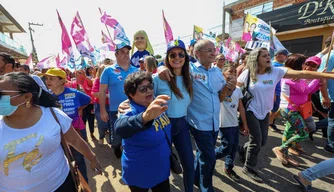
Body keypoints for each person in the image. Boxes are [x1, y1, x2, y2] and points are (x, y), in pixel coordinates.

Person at [237, 47, 334, 183]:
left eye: (268, 55)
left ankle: (243, 149)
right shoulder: (247, 73)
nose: (268, 58)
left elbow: (304, 74)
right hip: (250, 110)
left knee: (262, 141)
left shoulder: (276, 72)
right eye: (264, 56)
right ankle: (249, 167)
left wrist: (328, 75)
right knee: (256, 141)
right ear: (256, 59)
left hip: (265, 111)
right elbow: (236, 90)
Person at [0, 72, 101, 191]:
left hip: (61, 185)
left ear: (27, 97)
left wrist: (93, 159)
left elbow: (75, 140)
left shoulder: (53, 115)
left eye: (1, 95)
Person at [158, 39, 237, 191]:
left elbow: (220, 98)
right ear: (197, 54)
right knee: (209, 158)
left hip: (215, 123)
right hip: (198, 123)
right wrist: (160, 67)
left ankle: (195, 178)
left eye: (213, 49)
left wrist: (229, 89)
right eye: (208, 50)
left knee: (203, 155)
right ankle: (206, 188)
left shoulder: (217, 73)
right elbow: (173, 65)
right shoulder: (190, 69)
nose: (213, 52)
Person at [115, 71, 171, 192]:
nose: (149, 91)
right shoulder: (128, 110)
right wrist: (145, 117)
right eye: (143, 89)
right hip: (139, 174)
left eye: (150, 86)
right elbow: (120, 127)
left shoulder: (155, 102)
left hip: (161, 170)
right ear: (131, 94)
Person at [153, 39, 194, 192]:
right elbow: (140, 93)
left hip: (182, 125)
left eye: (181, 54)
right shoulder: (158, 78)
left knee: (189, 164)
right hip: (163, 126)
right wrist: (159, 67)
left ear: (186, 57)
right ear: (167, 58)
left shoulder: (190, 77)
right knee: (162, 166)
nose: (177, 58)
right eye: (172, 55)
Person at [44, 68, 92, 182]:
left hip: (75, 131)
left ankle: (84, 184)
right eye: (47, 78)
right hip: (56, 134)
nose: (48, 81)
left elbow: (88, 99)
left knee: (79, 159)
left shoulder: (74, 93)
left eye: (52, 78)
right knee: (62, 161)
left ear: (62, 81)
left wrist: (79, 108)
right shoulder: (46, 97)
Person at [272, 54, 321, 167]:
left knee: (288, 132)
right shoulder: (291, 77)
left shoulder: (298, 77)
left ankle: (284, 153)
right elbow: (305, 90)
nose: (306, 66)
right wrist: (317, 78)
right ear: (298, 64)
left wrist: (318, 84)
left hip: (293, 109)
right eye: (305, 63)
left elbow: (308, 92)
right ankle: (280, 149)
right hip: (290, 110)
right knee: (304, 134)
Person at [99, 43, 138, 158]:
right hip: (115, 110)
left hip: (134, 109)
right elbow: (102, 92)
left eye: (127, 52)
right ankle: (116, 146)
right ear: (116, 55)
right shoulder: (108, 71)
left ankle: (131, 153)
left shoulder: (136, 70)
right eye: (122, 52)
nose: (126, 55)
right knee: (116, 136)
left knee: (133, 133)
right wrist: (102, 110)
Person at [215, 63, 249, 183]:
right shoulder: (220, 87)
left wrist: (244, 124)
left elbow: (241, 108)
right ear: (223, 75)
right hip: (223, 124)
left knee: (233, 148)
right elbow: (221, 98)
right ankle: (210, 156)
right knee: (226, 148)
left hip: (234, 124)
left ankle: (228, 167)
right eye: (230, 72)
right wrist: (227, 88)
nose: (233, 75)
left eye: (235, 72)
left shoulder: (238, 90)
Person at [318, 41, 334, 153]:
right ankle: (331, 145)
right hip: (331, 95)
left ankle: (312, 127)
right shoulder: (330, 57)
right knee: (333, 120)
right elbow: (321, 78)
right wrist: (325, 97)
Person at [269, 49, 289, 132]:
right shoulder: (275, 66)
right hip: (275, 92)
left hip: (278, 92)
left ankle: (270, 122)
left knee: (276, 110)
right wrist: (273, 92)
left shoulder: (280, 65)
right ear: (278, 55)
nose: (286, 57)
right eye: (285, 55)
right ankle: (270, 124)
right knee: (273, 110)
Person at [92, 64, 110, 145]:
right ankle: (101, 137)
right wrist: (107, 96)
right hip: (99, 105)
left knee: (111, 123)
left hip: (111, 105)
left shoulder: (111, 80)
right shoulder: (97, 80)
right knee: (101, 123)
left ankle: (111, 138)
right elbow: (94, 93)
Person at [75, 70, 96, 141]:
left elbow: (91, 83)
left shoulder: (87, 80)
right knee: (83, 121)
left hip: (90, 104)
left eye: (82, 73)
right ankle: (85, 136)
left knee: (91, 119)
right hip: (81, 106)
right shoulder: (75, 83)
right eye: (79, 73)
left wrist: (85, 76)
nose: (81, 74)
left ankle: (92, 133)